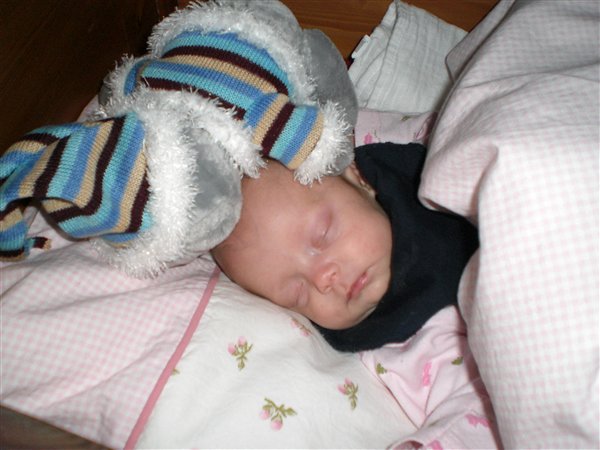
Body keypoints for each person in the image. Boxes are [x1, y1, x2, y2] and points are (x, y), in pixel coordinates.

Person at [212, 142, 501, 448]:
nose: (323, 279)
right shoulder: (400, 354)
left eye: (323, 235)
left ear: (357, 177)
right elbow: (479, 412)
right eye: (297, 293)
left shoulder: (426, 177)